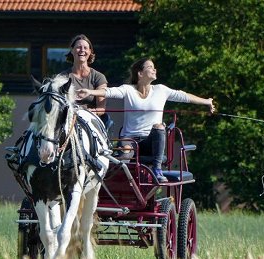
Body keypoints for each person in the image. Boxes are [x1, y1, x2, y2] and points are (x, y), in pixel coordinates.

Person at [76, 57, 215, 182]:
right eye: (150, 67)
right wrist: (90, 92)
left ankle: (157, 169)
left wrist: (207, 101)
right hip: (130, 140)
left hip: (150, 141)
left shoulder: (161, 90)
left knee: (160, 126)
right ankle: (107, 179)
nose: (154, 69)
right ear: (140, 73)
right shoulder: (128, 90)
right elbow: (109, 92)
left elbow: (184, 96)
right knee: (124, 153)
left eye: (154, 67)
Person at [59, 34, 112, 130]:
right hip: (68, 121)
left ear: (90, 52)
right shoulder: (62, 77)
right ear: (72, 50)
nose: (82, 50)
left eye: (85, 48)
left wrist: (88, 112)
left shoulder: (98, 77)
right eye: (78, 47)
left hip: (91, 121)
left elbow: (101, 109)